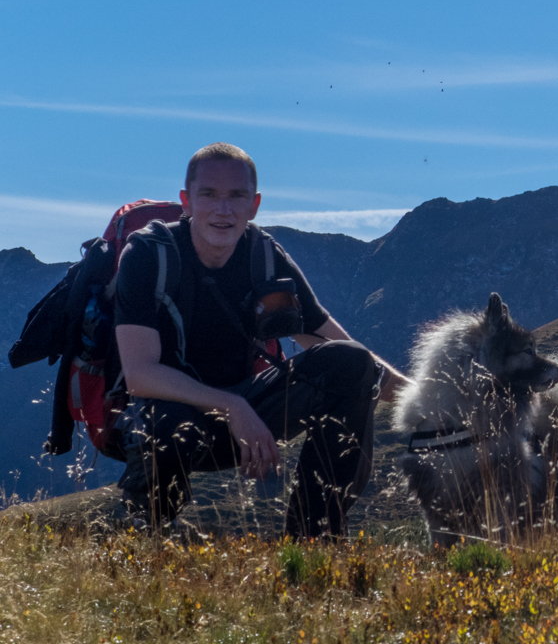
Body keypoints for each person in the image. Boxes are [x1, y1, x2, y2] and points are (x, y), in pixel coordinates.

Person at [113, 142, 410, 538]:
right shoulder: (148, 255)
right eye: (209, 195)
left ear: (254, 205)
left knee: (350, 363)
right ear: (186, 201)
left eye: (236, 196)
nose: (224, 210)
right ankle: (148, 531)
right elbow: (140, 374)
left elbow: (343, 353)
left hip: (252, 414)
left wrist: (428, 400)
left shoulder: (264, 258)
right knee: (166, 426)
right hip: (167, 417)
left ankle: (314, 539)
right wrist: (232, 406)